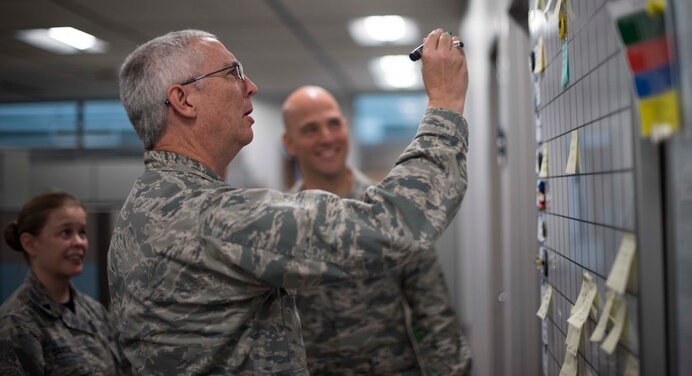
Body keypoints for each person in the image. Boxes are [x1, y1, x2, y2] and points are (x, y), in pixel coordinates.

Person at [108, 28, 469, 376]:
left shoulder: (142, 209)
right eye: (233, 73)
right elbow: (396, 222)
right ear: (183, 100)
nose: (251, 86)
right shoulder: (210, 217)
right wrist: (445, 104)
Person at [282, 85, 472, 375]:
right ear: (289, 143)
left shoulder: (388, 212)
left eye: (334, 123)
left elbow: (433, 311)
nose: (327, 137)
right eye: (310, 129)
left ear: (346, 127)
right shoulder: (280, 225)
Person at [0, 192, 131, 375]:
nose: (79, 242)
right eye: (65, 233)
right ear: (30, 244)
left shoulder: (94, 311)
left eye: (82, 232)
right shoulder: (17, 322)